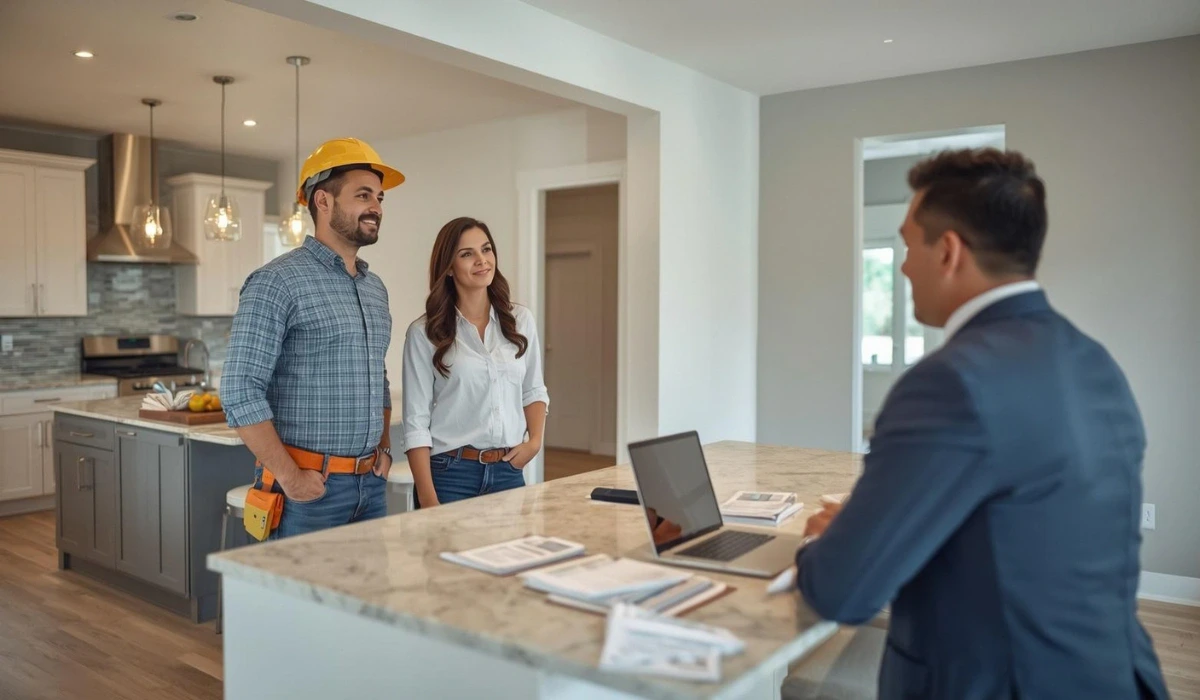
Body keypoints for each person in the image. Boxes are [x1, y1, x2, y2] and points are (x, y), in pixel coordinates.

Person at [793, 148, 1167, 699]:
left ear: (947, 251)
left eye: (907, 245)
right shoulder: (1095, 362)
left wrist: (827, 540)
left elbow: (842, 591)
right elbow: (1025, 530)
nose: (903, 267)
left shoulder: (950, 382)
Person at [221, 137, 405, 539]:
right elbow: (239, 390)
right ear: (323, 201)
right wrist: (291, 478)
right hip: (306, 493)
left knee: (368, 583)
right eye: (363, 195)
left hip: (370, 486)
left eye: (379, 198)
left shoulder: (374, 289)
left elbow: (378, 379)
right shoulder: (276, 281)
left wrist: (385, 448)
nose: (376, 207)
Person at [402, 216, 549, 508]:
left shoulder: (520, 320)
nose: (482, 260)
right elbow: (415, 422)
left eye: (486, 249)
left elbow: (533, 389)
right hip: (450, 475)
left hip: (507, 471)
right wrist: (428, 499)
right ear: (448, 267)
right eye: (467, 254)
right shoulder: (424, 333)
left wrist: (534, 442)